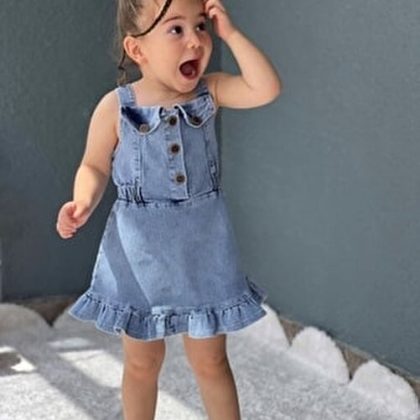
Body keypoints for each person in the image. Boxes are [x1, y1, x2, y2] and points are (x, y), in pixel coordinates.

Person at [56, 0, 282, 418]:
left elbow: (265, 88)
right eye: (176, 29)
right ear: (137, 49)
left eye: (201, 26)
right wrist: (82, 200)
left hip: (202, 248)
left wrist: (231, 34)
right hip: (140, 254)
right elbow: (94, 165)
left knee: (211, 361)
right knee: (142, 363)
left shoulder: (211, 92)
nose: (195, 40)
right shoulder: (116, 107)